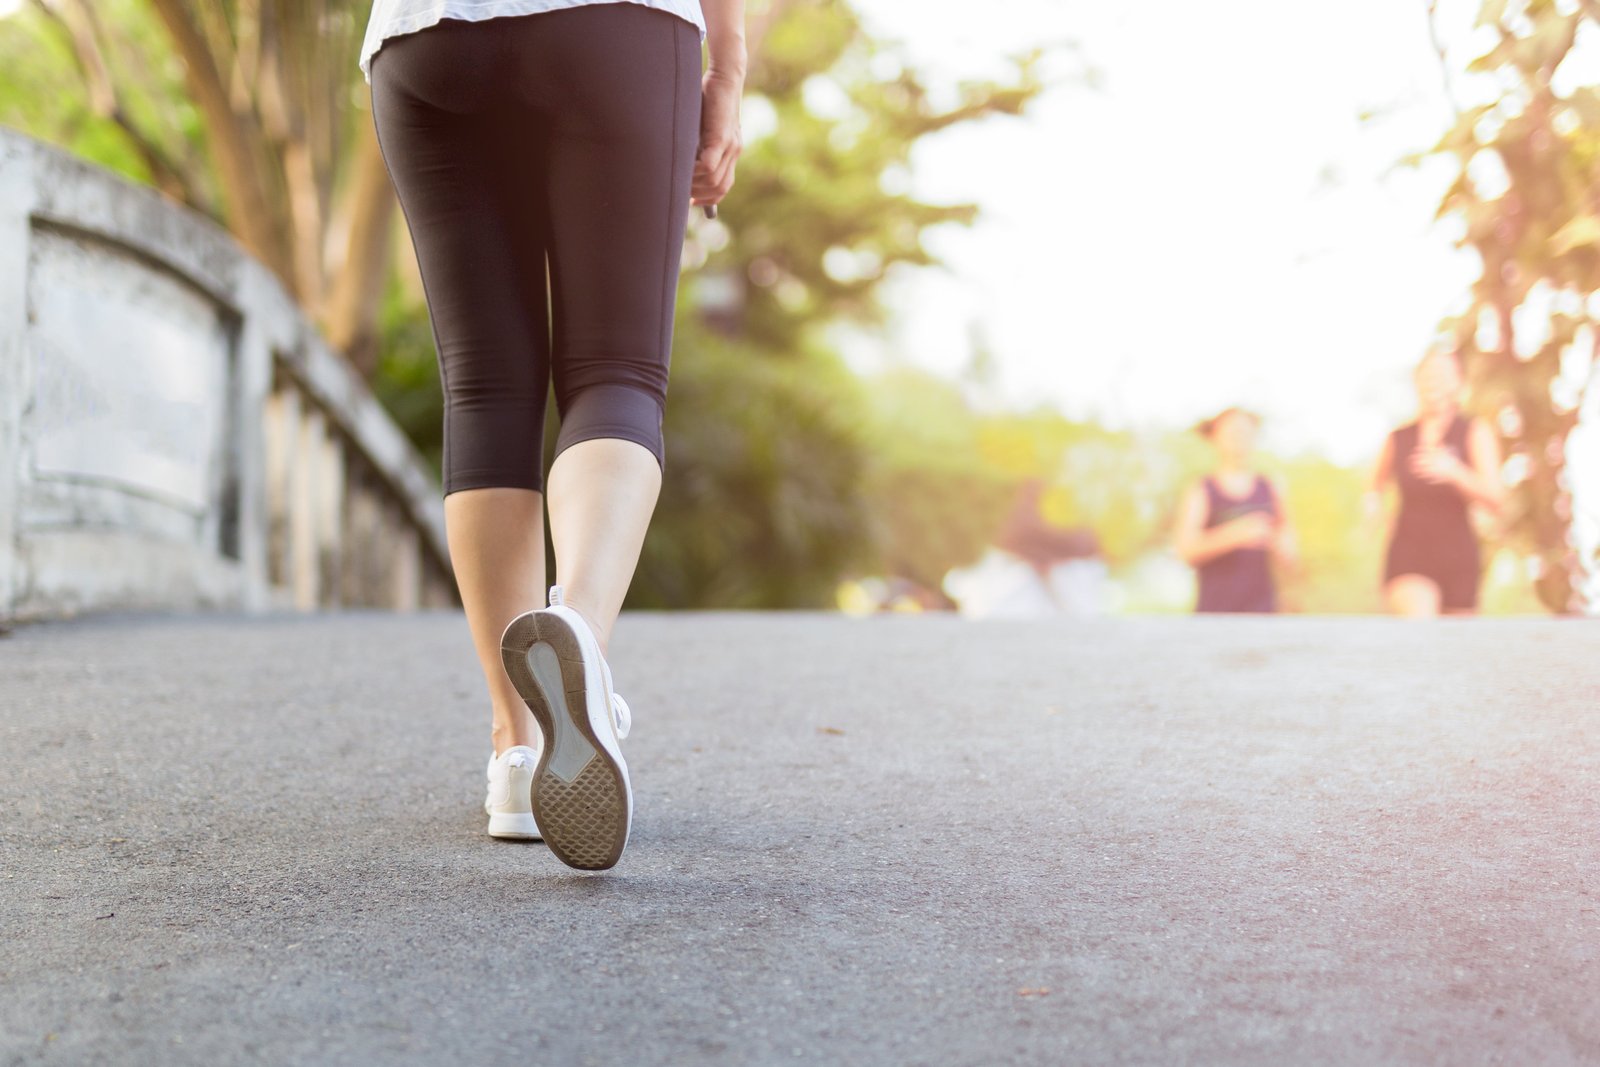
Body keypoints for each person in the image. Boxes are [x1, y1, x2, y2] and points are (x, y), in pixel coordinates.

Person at [361, 0, 745, 870]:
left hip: (424, 42)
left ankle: (517, 752)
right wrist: (729, 67)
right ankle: (577, 635)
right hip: (616, 31)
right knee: (617, 374)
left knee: (487, 389)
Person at [1370, 349, 1504, 617]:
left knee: (1455, 650)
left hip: (1458, 556)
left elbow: (1496, 499)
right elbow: (1374, 486)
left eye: (1443, 375)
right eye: (1428, 374)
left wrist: (1454, 471)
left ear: (1457, 383)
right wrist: (1375, 511)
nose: (1435, 381)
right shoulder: (1398, 438)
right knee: (1422, 627)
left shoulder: (1473, 432)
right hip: (1408, 553)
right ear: (1417, 382)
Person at [1172, 407, 1299, 614]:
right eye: (1233, 433)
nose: (1240, 439)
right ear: (1214, 437)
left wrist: (1280, 544)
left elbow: (1291, 554)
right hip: (1214, 614)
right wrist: (1237, 534)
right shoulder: (1202, 490)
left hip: (1263, 613)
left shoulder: (1270, 487)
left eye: (1246, 432)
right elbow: (1184, 551)